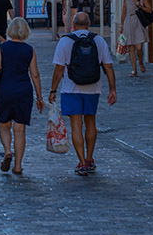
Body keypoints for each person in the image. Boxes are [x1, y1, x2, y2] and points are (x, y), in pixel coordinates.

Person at [49, 12, 117, 176]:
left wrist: (53, 90)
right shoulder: (98, 40)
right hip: (93, 88)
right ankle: (90, 158)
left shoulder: (65, 41)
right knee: (91, 123)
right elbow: (108, 67)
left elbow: (59, 69)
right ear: (88, 23)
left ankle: (81, 162)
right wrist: (112, 89)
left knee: (76, 126)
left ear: (73, 23)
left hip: (71, 89)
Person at [0, 17, 44, 174]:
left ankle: (7, 150)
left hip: (5, 89)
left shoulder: (3, 47)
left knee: (4, 124)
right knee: (20, 129)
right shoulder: (29, 50)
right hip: (23, 90)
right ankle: (18, 166)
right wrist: (39, 97)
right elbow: (35, 75)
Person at [120, 0, 153, 77]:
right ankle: (134, 70)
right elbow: (123, 12)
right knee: (131, 47)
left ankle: (141, 62)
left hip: (139, 21)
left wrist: (140, 6)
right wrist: (121, 26)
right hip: (129, 22)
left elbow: (150, 10)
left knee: (139, 47)